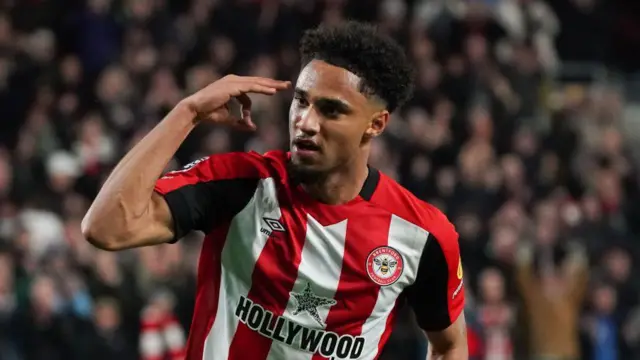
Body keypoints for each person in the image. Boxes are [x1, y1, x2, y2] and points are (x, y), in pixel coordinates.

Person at [82, 21, 468, 360]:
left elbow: (449, 345)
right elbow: (106, 227)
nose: (306, 122)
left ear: (376, 124)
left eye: (331, 110)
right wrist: (188, 112)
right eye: (301, 101)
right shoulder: (242, 184)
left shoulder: (422, 235)